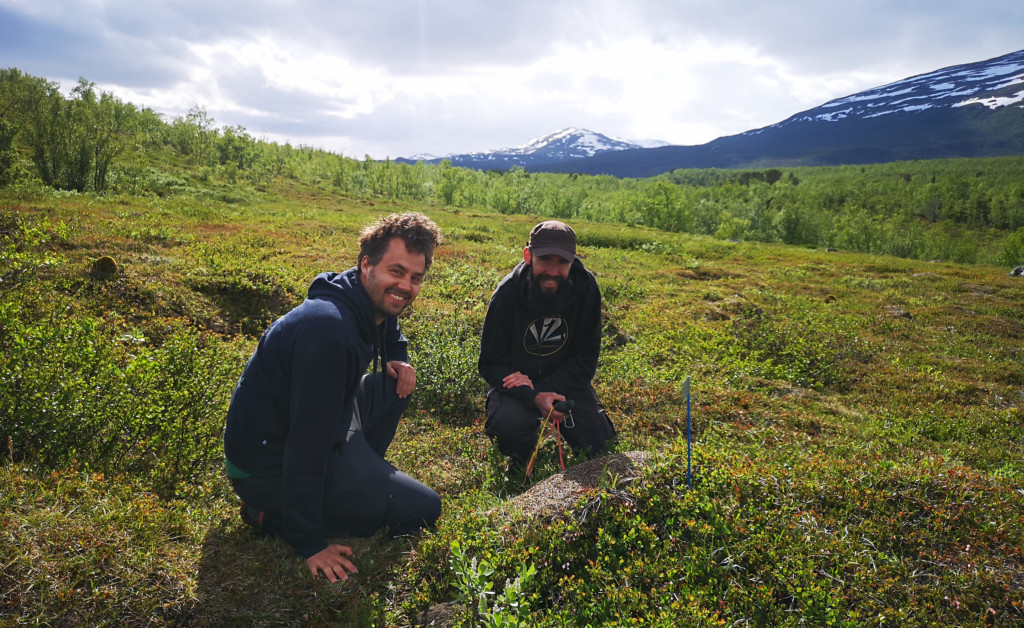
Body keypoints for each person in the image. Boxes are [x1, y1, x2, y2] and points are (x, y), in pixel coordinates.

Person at [223, 212, 443, 583]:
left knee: (395, 384)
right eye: (396, 272)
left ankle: (354, 477)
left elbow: (390, 317)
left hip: (318, 430)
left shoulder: (354, 292)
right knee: (423, 508)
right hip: (264, 467)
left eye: (415, 278)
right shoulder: (330, 334)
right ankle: (270, 513)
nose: (405, 286)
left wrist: (397, 355)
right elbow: (306, 445)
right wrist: (309, 542)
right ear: (366, 265)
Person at [478, 220, 616, 475]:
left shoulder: (586, 290)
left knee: (601, 443)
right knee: (509, 425)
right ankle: (521, 455)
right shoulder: (507, 293)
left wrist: (545, 392)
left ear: (573, 261)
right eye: (545, 259)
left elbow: (585, 359)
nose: (553, 271)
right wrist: (531, 396)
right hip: (516, 385)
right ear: (528, 256)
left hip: (566, 383)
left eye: (562, 262)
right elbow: (490, 363)